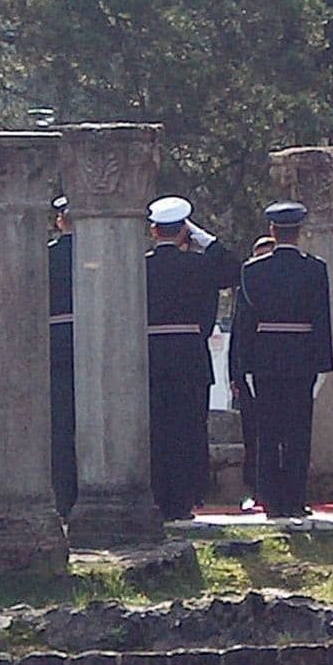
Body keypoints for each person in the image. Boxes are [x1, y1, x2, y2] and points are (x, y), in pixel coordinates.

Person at [232, 204, 333, 520]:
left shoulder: (253, 270)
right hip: (302, 356)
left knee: (267, 432)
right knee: (298, 432)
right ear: (299, 232)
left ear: (273, 232)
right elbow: (322, 320)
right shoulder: (315, 269)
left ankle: (271, 499)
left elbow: (244, 324)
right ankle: (294, 498)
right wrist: (323, 364)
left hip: (265, 357)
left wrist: (242, 366)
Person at [145, 196, 242, 522]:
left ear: (154, 230)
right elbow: (233, 270)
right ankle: (185, 499)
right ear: (185, 231)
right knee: (188, 431)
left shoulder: (140, 265)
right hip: (189, 354)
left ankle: (158, 496)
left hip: (151, 356)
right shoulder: (201, 265)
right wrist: (205, 238)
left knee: (156, 430)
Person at [228, 235, 279, 511]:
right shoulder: (246, 287)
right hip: (250, 370)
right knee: (253, 433)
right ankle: (255, 487)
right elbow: (238, 334)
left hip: (278, 366)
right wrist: (235, 374)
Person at [49, 196, 78, 517]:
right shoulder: (99, 253)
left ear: (60, 222)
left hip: (56, 345)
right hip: (96, 344)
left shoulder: (46, 255)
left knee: (61, 427)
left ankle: (64, 496)